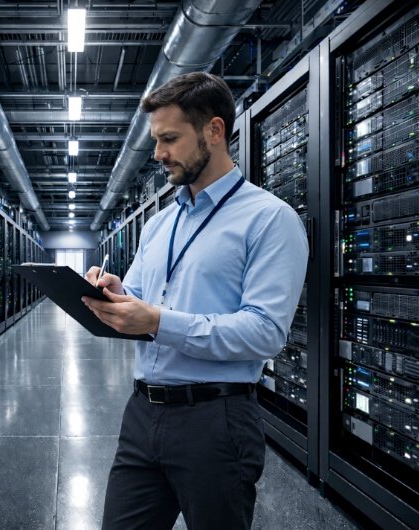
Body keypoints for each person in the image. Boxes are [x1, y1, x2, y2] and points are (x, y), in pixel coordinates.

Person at [83, 72, 308, 529]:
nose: (159, 154)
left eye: (170, 139)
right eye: (156, 140)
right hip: (142, 414)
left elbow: (265, 331)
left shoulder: (269, 220)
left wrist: (158, 321)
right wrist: (117, 294)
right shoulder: (159, 225)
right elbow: (144, 299)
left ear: (215, 130)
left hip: (217, 421)